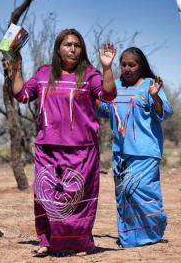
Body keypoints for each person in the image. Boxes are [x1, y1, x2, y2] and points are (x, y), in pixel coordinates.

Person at [10, 28, 117, 256]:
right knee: (46, 196)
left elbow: (107, 94)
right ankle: (47, 241)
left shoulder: (89, 74)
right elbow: (22, 95)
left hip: (82, 150)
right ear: (58, 49)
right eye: (67, 44)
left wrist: (107, 68)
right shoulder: (43, 73)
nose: (72, 48)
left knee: (79, 199)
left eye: (77, 45)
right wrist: (16, 67)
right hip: (47, 148)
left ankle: (81, 243)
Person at [96, 47, 172, 247]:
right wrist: (91, 93)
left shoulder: (150, 84)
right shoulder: (115, 86)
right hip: (121, 152)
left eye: (132, 64)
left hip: (146, 151)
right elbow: (104, 109)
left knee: (144, 192)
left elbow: (164, 112)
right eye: (123, 65)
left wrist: (155, 96)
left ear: (141, 66)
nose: (127, 68)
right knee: (125, 195)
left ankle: (154, 229)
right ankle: (129, 237)